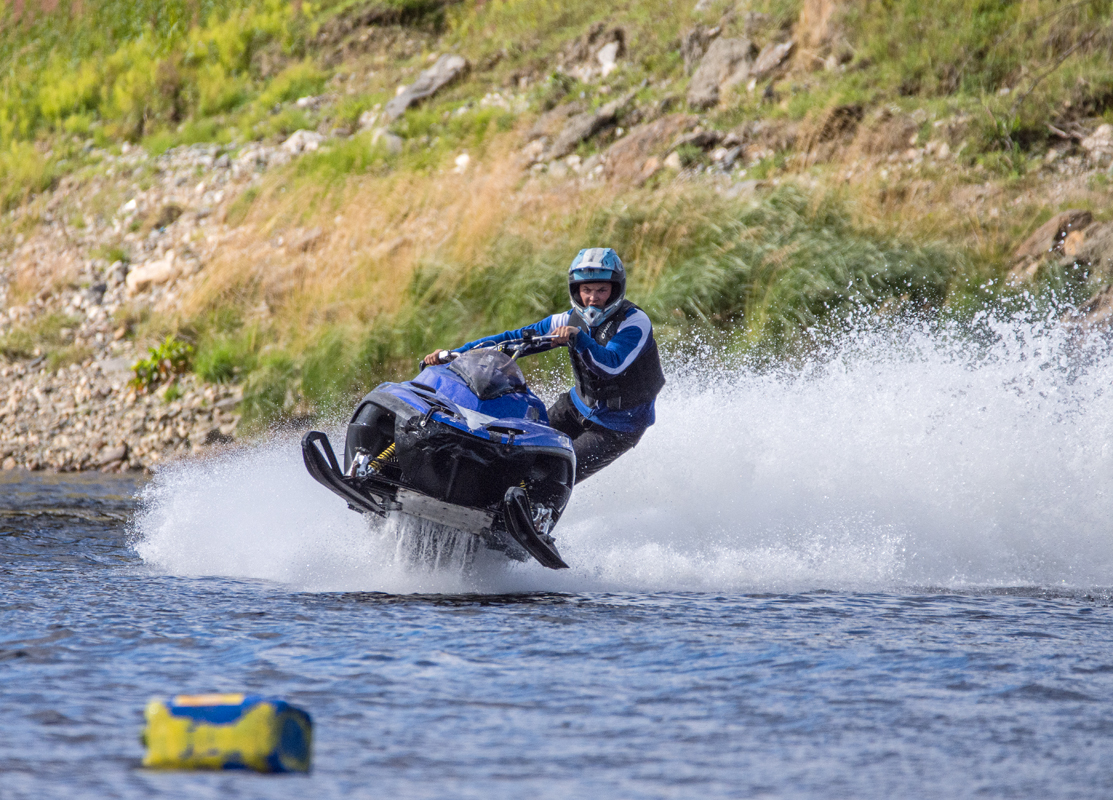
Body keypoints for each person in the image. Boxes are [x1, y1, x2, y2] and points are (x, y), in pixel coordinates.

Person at [423, 248, 665, 483]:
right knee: (515, 451)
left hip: (618, 426)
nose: (593, 297)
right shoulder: (569, 319)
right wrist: (454, 354)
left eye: (602, 290)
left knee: (549, 475)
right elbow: (513, 339)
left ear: (616, 290)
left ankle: (526, 518)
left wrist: (577, 338)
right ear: (576, 290)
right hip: (576, 407)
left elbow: (610, 365)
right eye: (587, 289)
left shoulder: (634, 323)